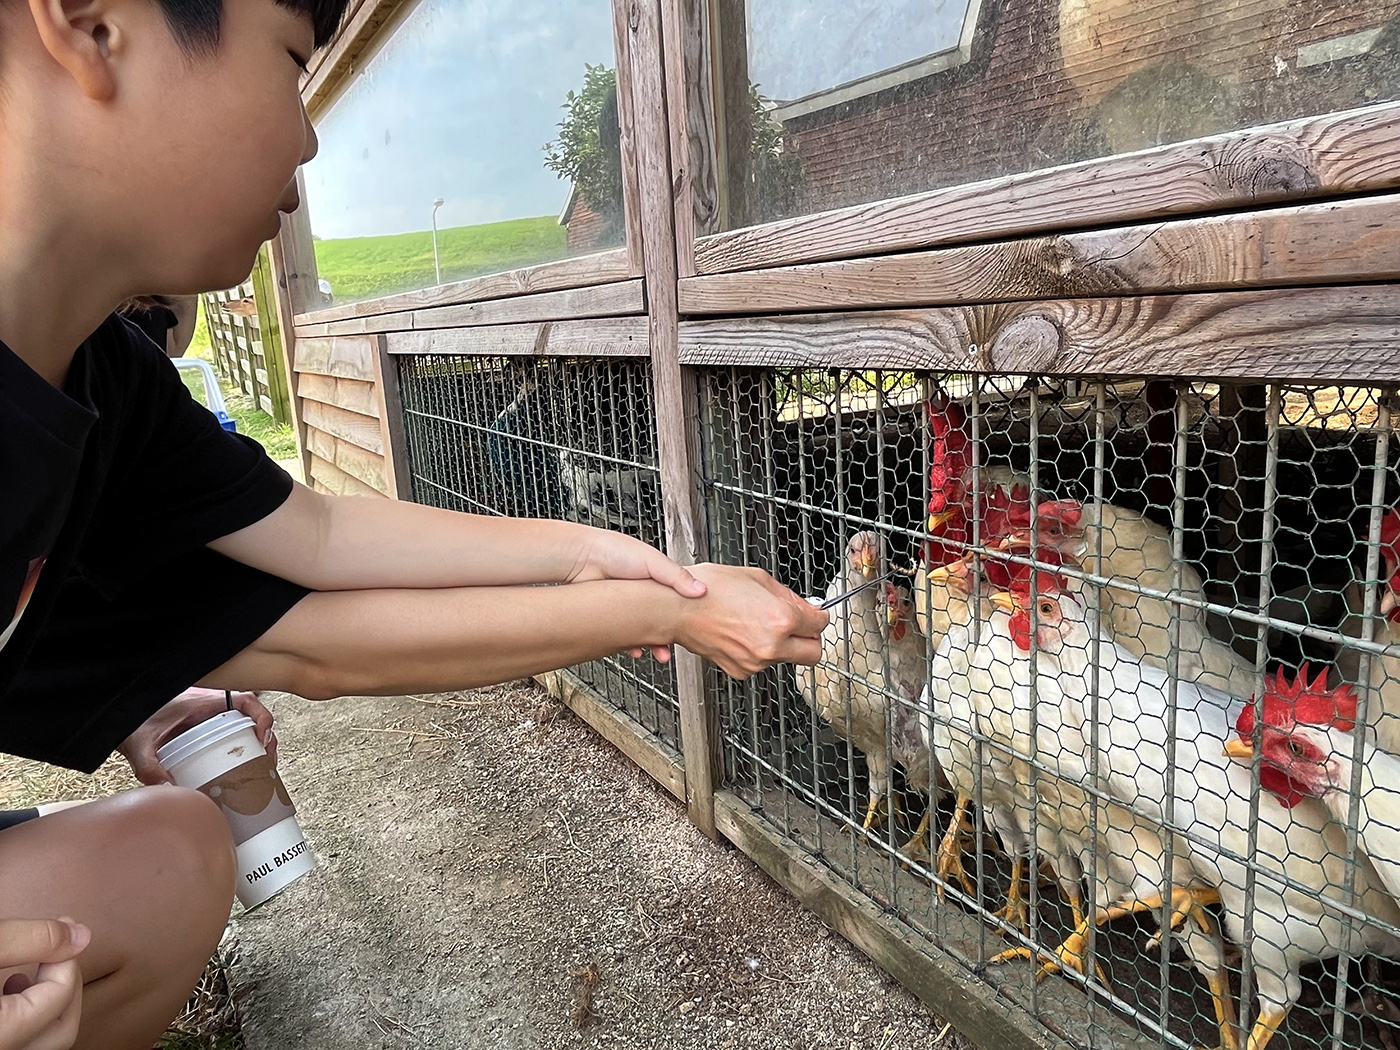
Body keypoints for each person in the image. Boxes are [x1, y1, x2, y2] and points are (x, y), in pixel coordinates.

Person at [0, 0, 830, 1044]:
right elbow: (310, 641)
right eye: (290, 60)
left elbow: (319, 542)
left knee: (169, 857)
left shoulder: (105, 387)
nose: (306, 147)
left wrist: (600, 559)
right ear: (90, 24)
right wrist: (664, 609)